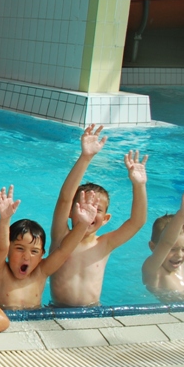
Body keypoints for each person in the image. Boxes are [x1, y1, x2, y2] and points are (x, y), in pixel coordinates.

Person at [49, 125, 148, 307]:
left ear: (106, 219)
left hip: (93, 312)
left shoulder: (105, 244)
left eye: (97, 209)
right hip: (57, 309)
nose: (90, 212)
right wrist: (86, 157)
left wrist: (139, 185)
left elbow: (137, 222)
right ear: (71, 212)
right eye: (84, 206)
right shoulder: (60, 236)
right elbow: (64, 199)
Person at [0, 186, 98, 309]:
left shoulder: (41, 272)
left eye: (34, 251)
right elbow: (1, 246)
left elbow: (63, 251)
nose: (26, 256)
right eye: (19, 248)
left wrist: (82, 225)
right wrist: (4, 219)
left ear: (42, 255)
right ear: (9, 249)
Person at [142, 168, 184, 302]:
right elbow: (166, 242)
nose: (180, 255)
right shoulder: (153, 269)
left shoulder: (178, 265)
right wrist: (182, 214)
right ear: (153, 247)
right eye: (173, 249)